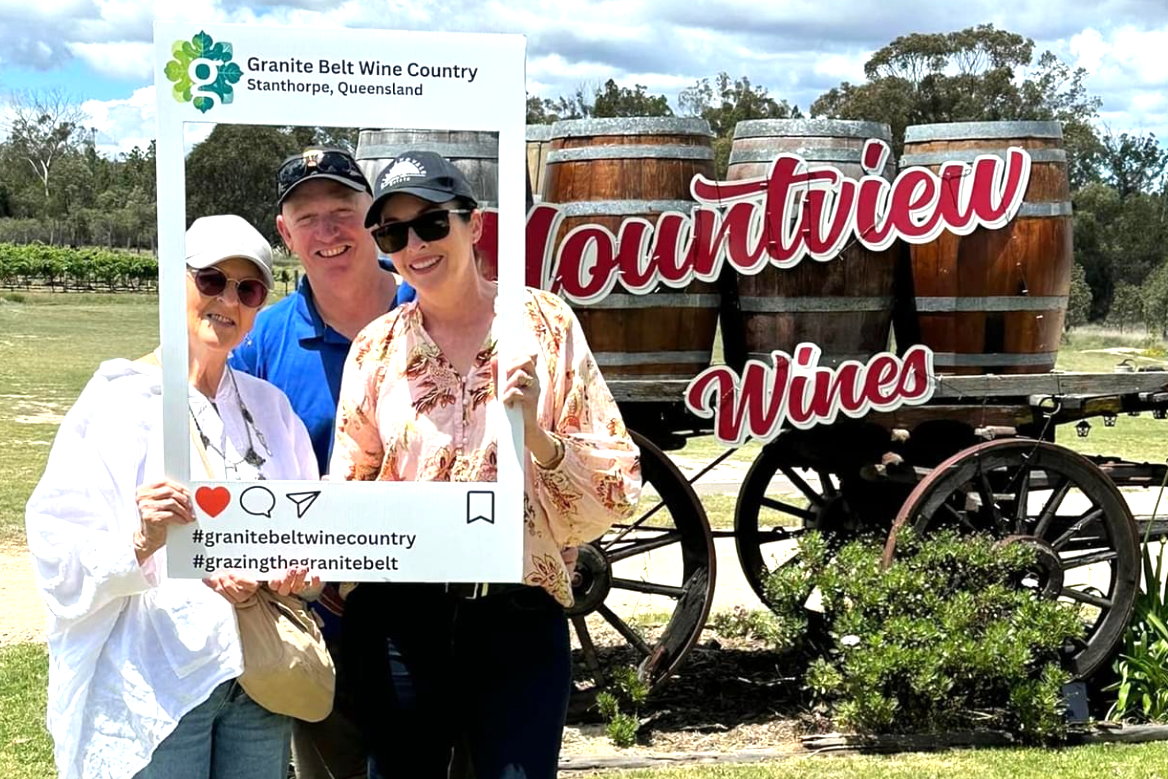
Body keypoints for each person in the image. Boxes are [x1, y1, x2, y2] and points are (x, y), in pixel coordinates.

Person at [332, 151, 643, 779]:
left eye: (432, 223)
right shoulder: (375, 349)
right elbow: (349, 492)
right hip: (400, 623)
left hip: (517, 618)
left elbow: (616, 486)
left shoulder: (546, 327)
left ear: (473, 223)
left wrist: (536, 435)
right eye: (392, 233)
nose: (414, 245)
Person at [25, 214, 320, 779]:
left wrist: (296, 573)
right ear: (175, 283)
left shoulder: (271, 409)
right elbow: (55, 548)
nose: (227, 300)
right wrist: (141, 539)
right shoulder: (118, 401)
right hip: (156, 679)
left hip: (258, 672)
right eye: (211, 280)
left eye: (247, 288)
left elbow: (310, 537)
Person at [228, 146, 415, 779]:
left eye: (343, 209)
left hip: (433, 612)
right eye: (307, 217)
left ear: (374, 215)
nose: (328, 231)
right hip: (315, 617)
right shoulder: (262, 339)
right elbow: (228, 462)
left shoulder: (434, 310)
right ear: (285, 232)